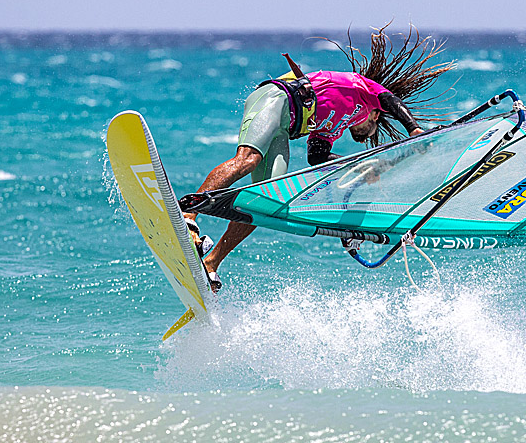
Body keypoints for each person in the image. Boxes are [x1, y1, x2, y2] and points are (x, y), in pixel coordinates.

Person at [184, 23, 455, 292]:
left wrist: (360, 166)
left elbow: (317, 157)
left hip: (283, 127)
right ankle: (188, 216)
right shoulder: (363, 90)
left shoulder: (334, 126)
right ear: (375, 115)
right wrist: (415, 131)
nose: (363, 133)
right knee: (248, 159)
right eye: (372, 127)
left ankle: (211, 262)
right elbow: (389, 98)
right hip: (275, 99)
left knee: (265, 202)